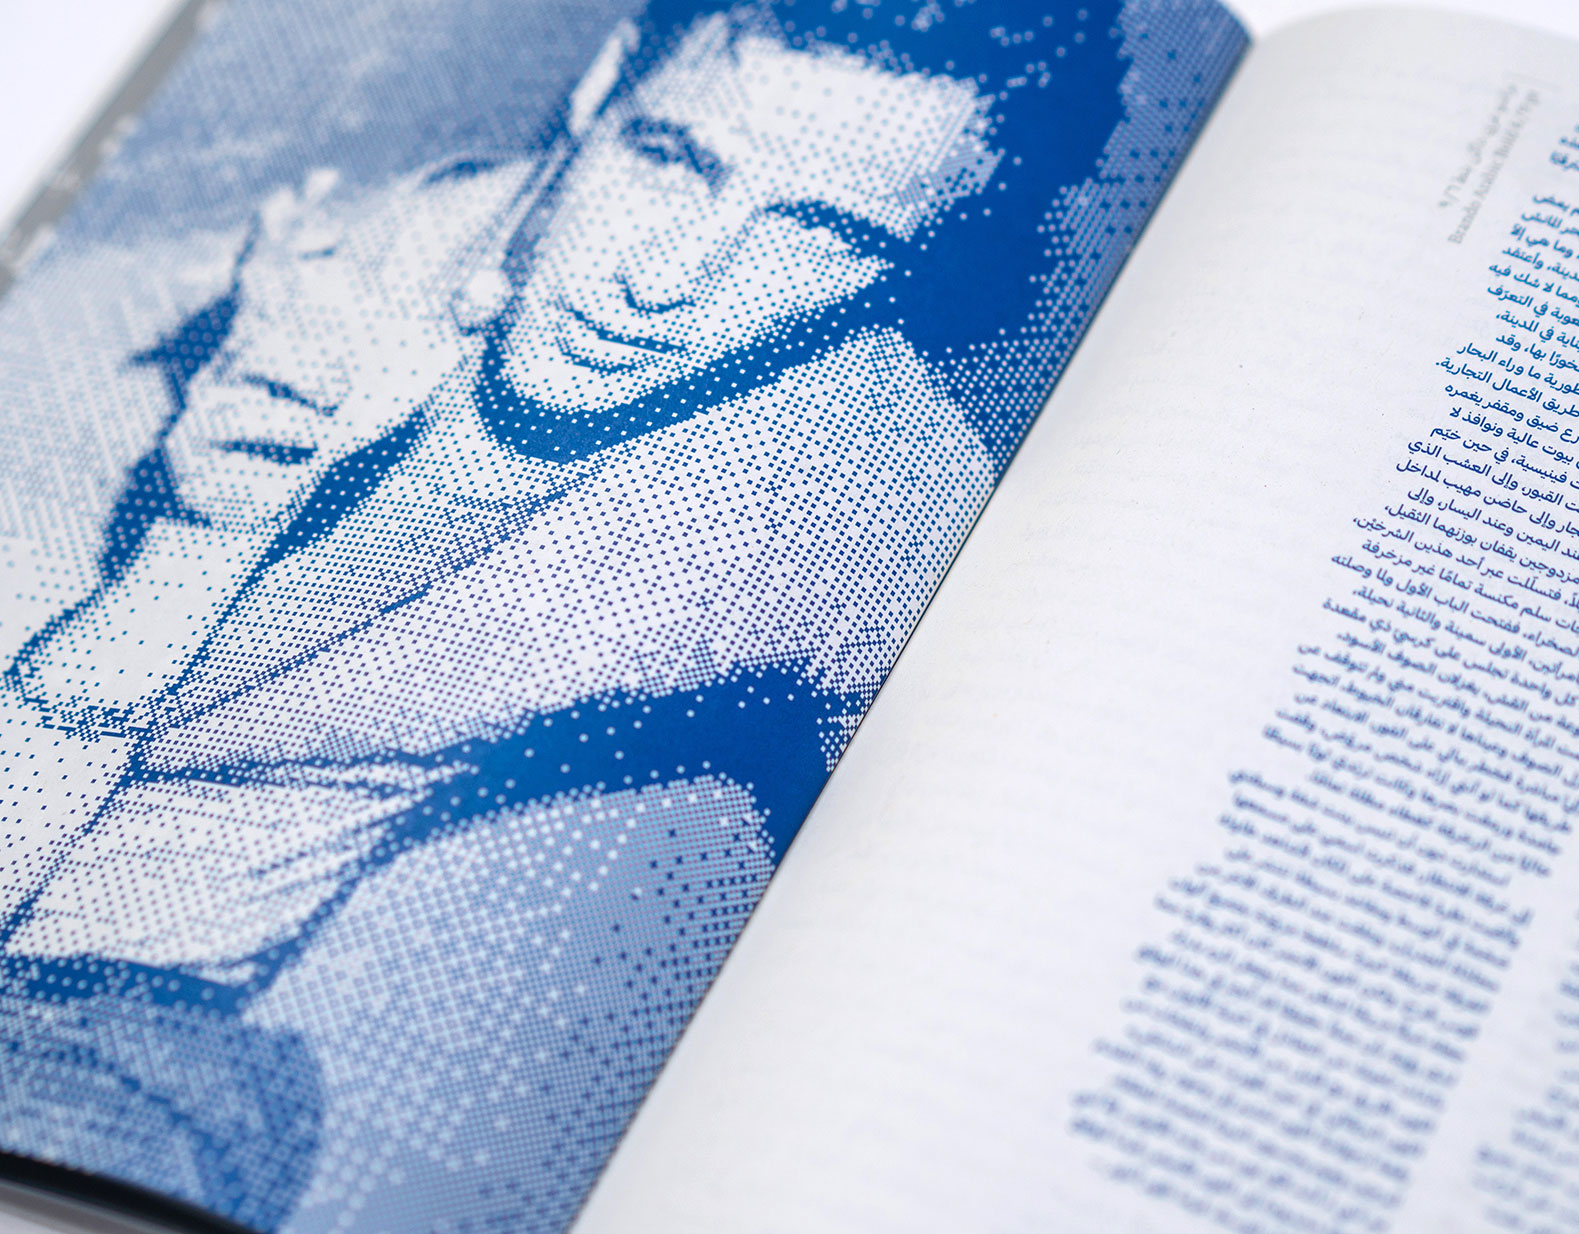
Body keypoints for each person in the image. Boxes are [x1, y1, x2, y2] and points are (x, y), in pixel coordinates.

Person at [0, 0, 1138, 1227]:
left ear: (909, 266)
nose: (665, 280)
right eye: (674, 159)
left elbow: (1028, 838)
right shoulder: (173, 312)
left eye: (820, 232)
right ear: (601, 90)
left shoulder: (861, 488)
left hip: (117, 1034)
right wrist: (194, 548)